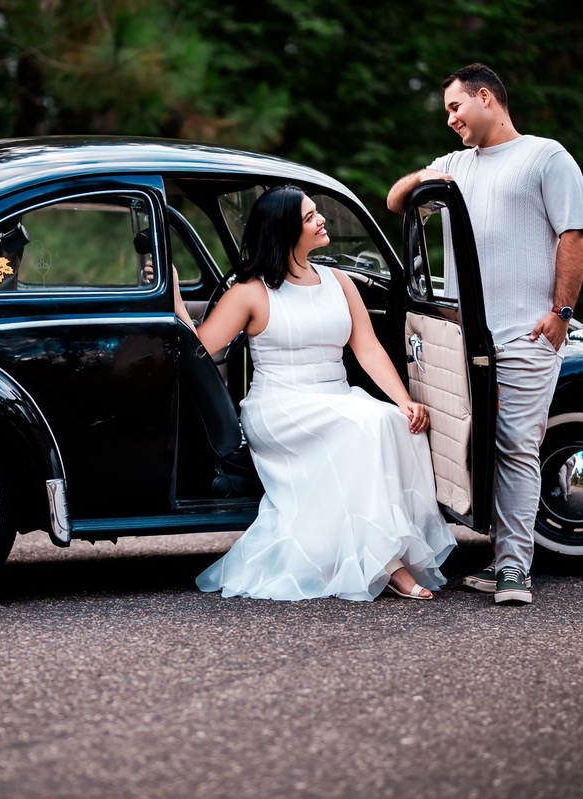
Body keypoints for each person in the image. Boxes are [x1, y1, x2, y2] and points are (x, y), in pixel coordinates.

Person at [174, 184, 455, 602]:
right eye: (309, 217)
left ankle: (388, 550)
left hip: (336, 395)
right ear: (285, 230)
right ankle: (387, 564)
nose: (321, 219)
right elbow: (200, 346)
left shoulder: (339, 281)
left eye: (316, 211)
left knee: (394, 423)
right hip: (280, 405)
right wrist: (175, 297)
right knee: (360, 427)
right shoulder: (250, 292)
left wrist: (404, 400)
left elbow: (368, 348)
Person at [386, 62, 583, 605]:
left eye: (455, 107)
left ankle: (514, 572)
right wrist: (428, 180)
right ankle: (503, 557)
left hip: (527, 334)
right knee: (477, 448)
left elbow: (574, 234)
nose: (451, 119)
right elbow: (395, 200)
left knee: (519, 446)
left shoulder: (547, 157)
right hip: (465, 342)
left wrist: (560, 314)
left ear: (485, 97)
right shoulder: (454, 164)